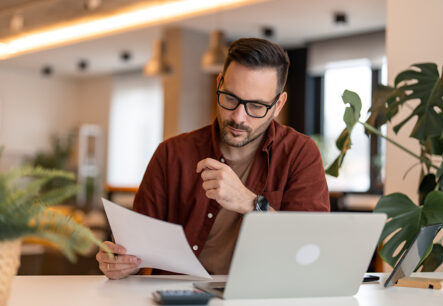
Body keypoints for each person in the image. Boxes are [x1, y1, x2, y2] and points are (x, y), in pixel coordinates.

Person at [96, 38, 330, 280]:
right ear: (219, 83)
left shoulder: (300, 154)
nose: (239, 117)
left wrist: (250, 203)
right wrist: (122, 262)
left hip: (261, 295)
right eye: (230, 98)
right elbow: (135, 247)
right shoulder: (171, 154)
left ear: (278, 104)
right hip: (177, 296)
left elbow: (310, 247)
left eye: (257, 106)